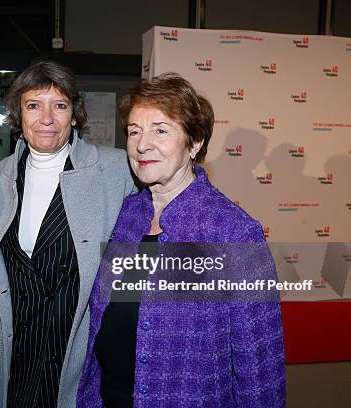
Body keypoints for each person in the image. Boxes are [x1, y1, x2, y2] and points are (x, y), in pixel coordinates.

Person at [77, 73, 286, 407]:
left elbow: (260, 368)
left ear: (194, 142)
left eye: (160, 129)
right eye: (134, 131)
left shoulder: (233, 231)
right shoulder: (126, 214)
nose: (142, 144)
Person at [0, 59, 135, 408]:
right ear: (18, 115)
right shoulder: (1, 175)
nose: (47, 119)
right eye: (33, 105)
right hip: (14, 351)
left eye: (60, 106)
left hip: (75, 354)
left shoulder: (114, 169)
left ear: (75, 114)